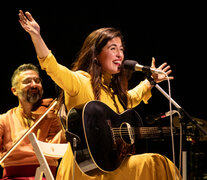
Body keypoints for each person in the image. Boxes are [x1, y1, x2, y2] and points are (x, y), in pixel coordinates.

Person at [18, 10, 182, 180]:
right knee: (153, 163)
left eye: (121, 49)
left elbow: (132, 97)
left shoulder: (113, 91)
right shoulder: (81, 81)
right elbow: (54, 68)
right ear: (96, 54)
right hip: (84, 171)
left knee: (157, 162)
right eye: (113, 49)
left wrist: (151, 81)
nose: (120, 55)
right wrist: (36, 36)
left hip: (110, 168)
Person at [0, 63, 67, 179]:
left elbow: (56, 151)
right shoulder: (4, 119)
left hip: (46, 175)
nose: (34, 85)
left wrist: (66, 127)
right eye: (27, 82)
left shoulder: (51, 115)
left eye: (37, 81)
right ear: (14, 90)